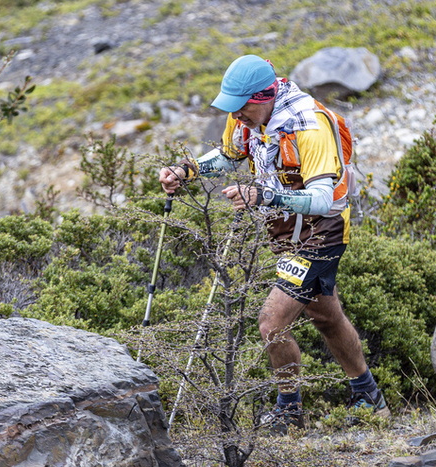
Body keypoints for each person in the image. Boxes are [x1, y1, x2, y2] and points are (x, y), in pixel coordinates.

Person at [159, 54, 388, 432]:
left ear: (263, 96)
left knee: (271, 322)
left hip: (321, 231)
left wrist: (263, 197)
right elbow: (229, 155)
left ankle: (289, 410)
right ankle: (369, 396)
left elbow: (321, 199)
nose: (237, 115)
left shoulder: (309, 127)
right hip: (283, 230)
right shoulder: (246, 116)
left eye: (242, 107)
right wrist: (187, 170)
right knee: (325, 316)